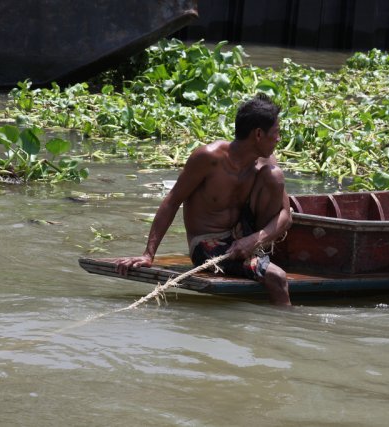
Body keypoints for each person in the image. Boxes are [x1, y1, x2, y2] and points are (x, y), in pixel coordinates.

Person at [115, 94, 292, 306]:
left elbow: (286, 216)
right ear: (258, 134)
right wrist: (148, 254)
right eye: (276, 133)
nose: (279, 139)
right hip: (209, 242)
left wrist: (254, 239)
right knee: (277, 277)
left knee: (275, 175)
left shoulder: (266, 160)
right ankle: (281, 330)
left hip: (247, 235)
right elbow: (172, 201)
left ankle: (260, 253)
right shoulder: (209, 158)